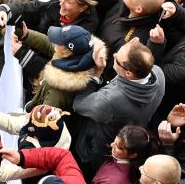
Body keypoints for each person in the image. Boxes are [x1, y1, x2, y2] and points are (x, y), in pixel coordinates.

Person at [71, 37, 165, 172]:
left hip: (96, 149)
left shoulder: (110, 101)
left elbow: (79, 104)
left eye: (117, 59)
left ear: (128, 73)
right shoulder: (158, 73)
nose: (113, 55)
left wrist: (96, 73)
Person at [91, 125, 156, 184]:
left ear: (133, 155)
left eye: (118, 147)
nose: (111, 145)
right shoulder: (138, 162)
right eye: (114, 141)